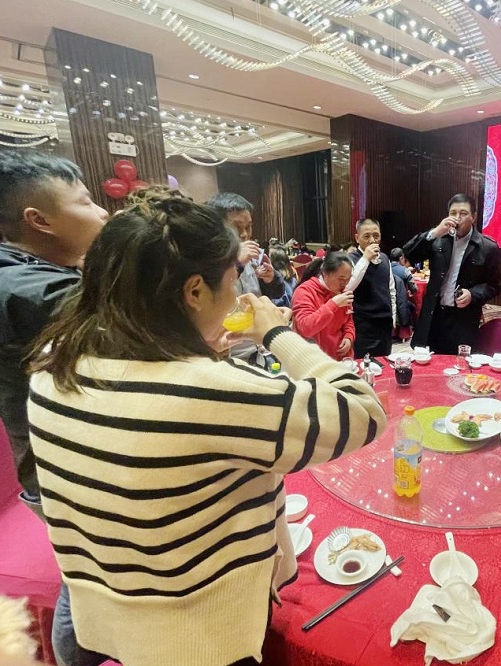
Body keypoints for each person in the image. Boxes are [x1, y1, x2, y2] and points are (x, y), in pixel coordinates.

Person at [28, 197, 386, 666]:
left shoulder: (53, 367)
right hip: (199, 636)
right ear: (195, 291)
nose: (236, 294)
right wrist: (277, 335)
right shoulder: (212, 391)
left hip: (108, 614)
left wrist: (198, 345)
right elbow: (363, 411)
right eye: (232, 281)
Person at [0, 151, 108, 515]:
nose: (102, 213)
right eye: (85, 202)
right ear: (39, 220)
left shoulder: (25, 267)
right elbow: (141, 322)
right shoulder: (23, 289)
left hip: (75, 456)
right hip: (66, 480)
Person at [401, 193, 501, 354]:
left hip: (462, 318)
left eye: (463, 213)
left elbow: (494, 285)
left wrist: (473, 294)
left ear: (473, 217)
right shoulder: (439, 239)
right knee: (426, 362)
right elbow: (408, 253)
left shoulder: (487, 247)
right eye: (453, 213)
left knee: (457, 364)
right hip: (434, 315)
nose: (457, 218)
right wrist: (435, 232)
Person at [205, 193, 289, 308]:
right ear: (217, 228)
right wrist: (237, 263)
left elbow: (277, 293)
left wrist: (270, 279)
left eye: (248, 227)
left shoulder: (253, 255)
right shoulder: (208, 258)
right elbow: (211, 296)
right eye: (236, 227)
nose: (244, 234)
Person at [292, 251, 357, 360]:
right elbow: (306, 328)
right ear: (325, 273)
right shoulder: (304, 291)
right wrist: (333, 304)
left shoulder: (343, 292)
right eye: (341, 278)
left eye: (348, 279)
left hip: (339, 357)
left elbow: (348, 320)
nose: (345, 283)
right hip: (312, 359)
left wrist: (349, 336)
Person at [346, 218, 397, 357]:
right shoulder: (350, 259)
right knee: (364, 363)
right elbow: (348, 287)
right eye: (366, 236)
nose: (372, 240)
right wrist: (365, 259)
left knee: (385, 362)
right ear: (357, 238)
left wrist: (393, 316)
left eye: (376, 236)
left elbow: (391, 290)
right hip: (363, 324)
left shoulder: (385, 258)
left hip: (384, 323)